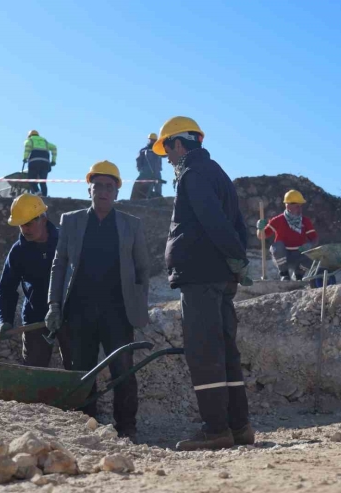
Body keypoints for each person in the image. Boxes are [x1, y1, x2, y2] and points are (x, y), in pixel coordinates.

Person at [152, 116, 253, 451]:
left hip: (201, 276)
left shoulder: (193, 175)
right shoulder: (219, 174)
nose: (166, 157)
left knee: (204, 351)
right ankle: (239, 427)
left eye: (167, 147)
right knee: (225, 351)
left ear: (180, 144)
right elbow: (237, 224)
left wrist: (233, 255)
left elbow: (213, 222)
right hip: (222, 276)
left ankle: (216, 429)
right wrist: (238, 260)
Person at [46, 160, 149, 440]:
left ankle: (126, 427)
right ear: (89, 189)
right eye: (97, 186)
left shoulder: (131, 225)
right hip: (79, 311)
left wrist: (138, 307)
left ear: (116, 191)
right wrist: (54, 305)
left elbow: (142, 269)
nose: (102, 191)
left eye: (108, 186)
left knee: (123, 371)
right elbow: (59, 264)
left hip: (118, 312)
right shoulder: (72, 221)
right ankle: (86, 424)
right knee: (82, 371)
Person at [0, 194, 68, 367]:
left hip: (69, 316)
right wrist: (5, 319)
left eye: (28, 223)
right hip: (35, 319)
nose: (25, 229)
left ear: (43, 219)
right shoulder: (18, 252)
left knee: (78, 366)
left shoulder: (65, 242)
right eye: (21, 225)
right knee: (33, 368)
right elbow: (6, 288)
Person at [256, 190, 318, 281]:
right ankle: (284, 274)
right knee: (277, 246)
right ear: (288, 206)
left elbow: (315, 238)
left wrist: (310, 245)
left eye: (301, 206)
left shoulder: (305, 221)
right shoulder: (278, 220)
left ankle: (299, 276)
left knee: (311, 254)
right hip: (284, 256)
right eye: (297, 206)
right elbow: (261, 236)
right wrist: (259, 228)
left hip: (299, 255)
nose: (300, 209)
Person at [23, 130, 57, 197]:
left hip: (34, 162)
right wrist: (53, 161)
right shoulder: (45, 142)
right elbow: (54, 148)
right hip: (45, 163)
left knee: (31, 179)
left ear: (29, 135)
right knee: (43, 181)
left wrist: (25, 158)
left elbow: (27, 149)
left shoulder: (29, 140)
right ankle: (44, 197)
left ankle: (37, 192)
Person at [130, 133, 164, 200]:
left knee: (158, 186)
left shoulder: (158, 151)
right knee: (141, 186)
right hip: (146, 173)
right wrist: (141, 170)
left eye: (154, 140)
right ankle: (138, 199)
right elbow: (138, 161)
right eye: (151, 140)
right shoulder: (143, 151)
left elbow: (165, 154)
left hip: (157, 172)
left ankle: (158, 199)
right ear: (149, 140)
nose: (152, 142)